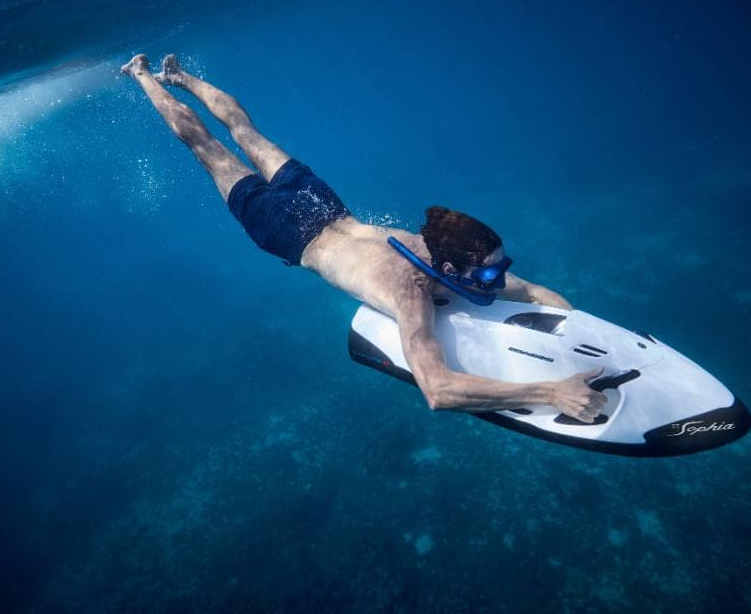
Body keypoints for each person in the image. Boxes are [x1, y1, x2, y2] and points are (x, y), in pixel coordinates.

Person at [121, 54, 606, 423]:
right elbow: (438, 391)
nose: (499, 282)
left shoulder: (443, 247)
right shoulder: (410, 294)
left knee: (243, 131)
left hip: (321, 203)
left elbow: (534, 291)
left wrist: (593, 339)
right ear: (448, 269)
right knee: (207, 146)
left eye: (501, 268)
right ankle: (145, 74)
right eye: (488, 274)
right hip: (286, 231)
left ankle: (178, 76)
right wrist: (550, 391)